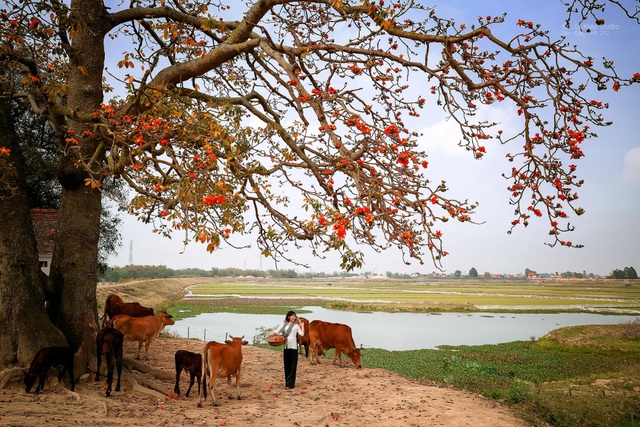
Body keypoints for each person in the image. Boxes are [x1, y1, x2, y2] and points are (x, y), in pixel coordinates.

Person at [267, 310, 305, 389]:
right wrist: (269, 335)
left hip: (293, 347)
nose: (294, 317)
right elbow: (276, 331)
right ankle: (287, 383)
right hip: (286, 346)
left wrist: (302, 325)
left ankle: (291, 384)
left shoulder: (296, 326)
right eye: (292, 316)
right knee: (287, 365)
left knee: (293, 366)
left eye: (294, 316)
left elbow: (302, 334)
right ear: (288, 317)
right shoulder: (283, 325)